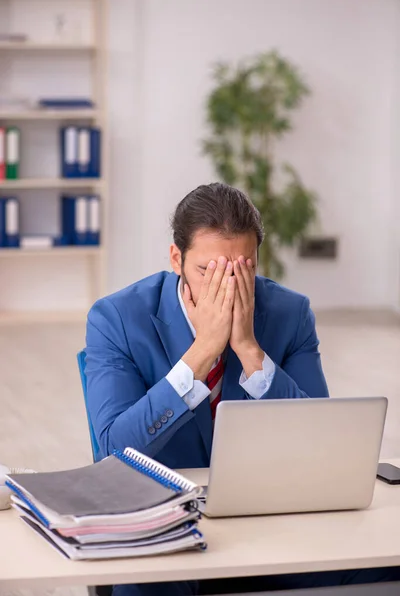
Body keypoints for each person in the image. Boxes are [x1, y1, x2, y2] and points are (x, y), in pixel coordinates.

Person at [85, 183, 398, 596]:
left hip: (270, 518)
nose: (227, 286)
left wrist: (250, 350)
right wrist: (200, 354)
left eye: (241, 269)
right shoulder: (118, 318)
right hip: (167, 527)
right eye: (208, 271)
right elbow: (112, 450)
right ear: (176, 258)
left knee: (379, 567)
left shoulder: (289, 312)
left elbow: (322, 440)